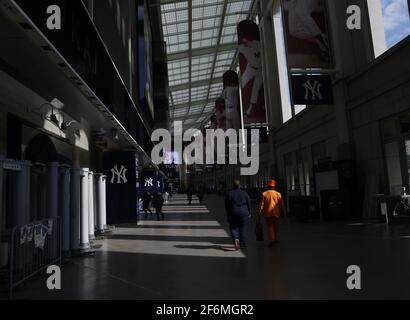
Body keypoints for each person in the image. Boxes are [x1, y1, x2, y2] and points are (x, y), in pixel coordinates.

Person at [238, 35, 263, 118]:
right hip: (250, 68)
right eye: (243, 41)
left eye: (245, 41)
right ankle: (238, 106)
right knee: (240, 84)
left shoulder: (258, 44)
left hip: (260, 70)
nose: (244, 43)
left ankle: (249, 111)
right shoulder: (242, 47)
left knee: (255, 89)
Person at [258, 180, 287, 247]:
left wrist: (259, 213)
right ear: (274, 186)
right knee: (276, 226)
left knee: (270, 227)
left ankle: (271, 240)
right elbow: (281, 204)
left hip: (268, 214)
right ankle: (276, 239)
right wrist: (284, 212)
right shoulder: (278, 194)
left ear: (268, 186)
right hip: (277, 213)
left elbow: (261, 205)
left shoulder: (264, 194)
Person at [225, 180, 252, 250]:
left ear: (233, 186)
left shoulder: (229, 194)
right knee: (242, 228)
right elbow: (249, 203)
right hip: (243, 212)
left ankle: (236, 239)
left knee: (233, 227)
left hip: (233, 212)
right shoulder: (245, 193)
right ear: (240, 185)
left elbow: (227, 206)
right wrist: (249, 212)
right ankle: (242, 244)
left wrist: (228, 214)